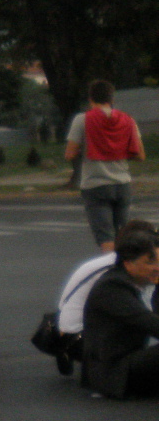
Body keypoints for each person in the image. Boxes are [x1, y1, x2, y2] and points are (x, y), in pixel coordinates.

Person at [66, 81, 147, 251]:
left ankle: (112, 271)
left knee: (106, 238)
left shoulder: (82, 120)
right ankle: (125, 270)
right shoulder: (128, 120)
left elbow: (70, 154)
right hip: (122, 184)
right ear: (111, 98)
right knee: (123, 236)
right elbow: (140, 155)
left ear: (90, 99)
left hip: (96, 185)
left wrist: (88, 148)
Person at [81, 227, 159, 400]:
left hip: (133, 357)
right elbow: (150, 323)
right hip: (114, 370)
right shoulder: (112, 287)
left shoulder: (141, 281)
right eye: (150, 262)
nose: (156, 267)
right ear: (128, 263)